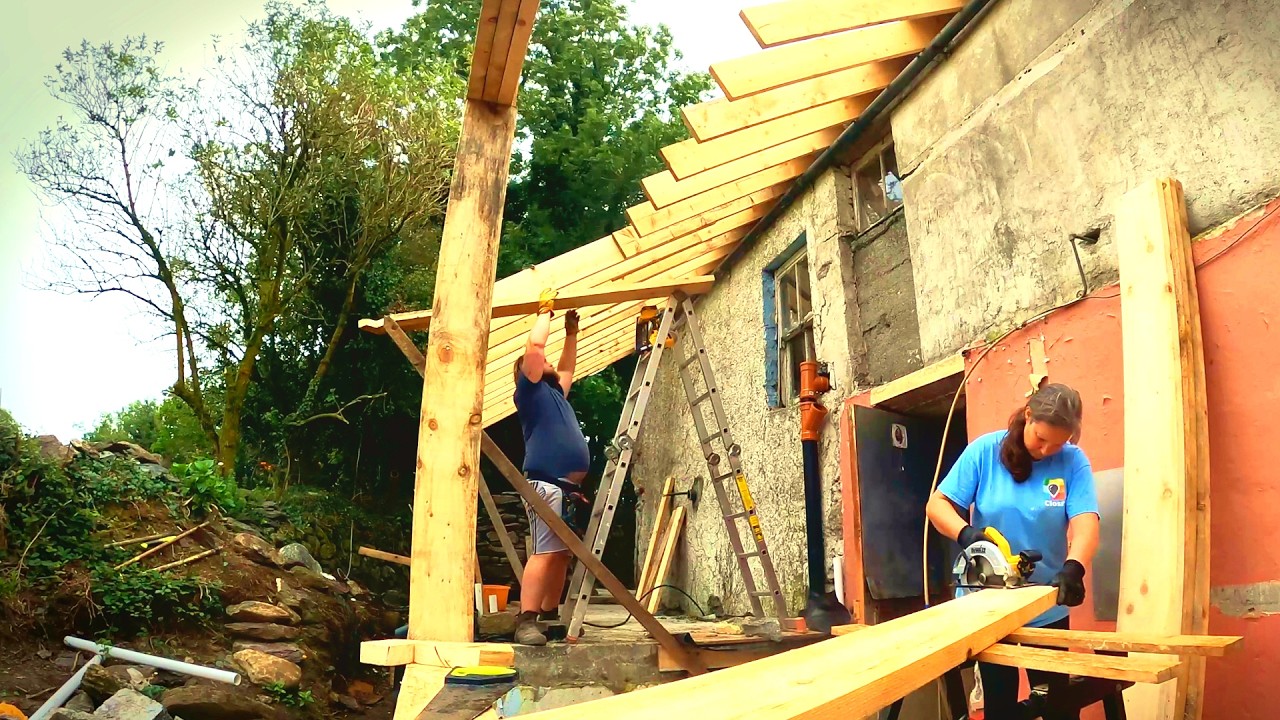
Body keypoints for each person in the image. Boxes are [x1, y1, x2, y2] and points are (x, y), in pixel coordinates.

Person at [925, 383, 1100, 718]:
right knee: (1001, 707)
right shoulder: (984, 452)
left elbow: (1086, 520)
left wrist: (1075, 566)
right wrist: (967, 534)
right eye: (1041, 438)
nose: (1047, 450)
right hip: (988, 607)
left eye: (1058, 443)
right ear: (1028, 415)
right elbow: (938, 505)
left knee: (1058, 708)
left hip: (1045, 605)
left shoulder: (1073, 461)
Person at [511, 293, 590, 646]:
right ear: (528, 370)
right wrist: (545, 311)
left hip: (565, 489)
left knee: (559, 555)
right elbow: (535, 344)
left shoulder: (555, 393)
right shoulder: (529, 392)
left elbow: (568, 368)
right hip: (544, 485)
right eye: (539, 362)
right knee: (545, 552)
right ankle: (526, 619)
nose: (547, 364)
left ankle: (548, 614)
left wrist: (572, 333)